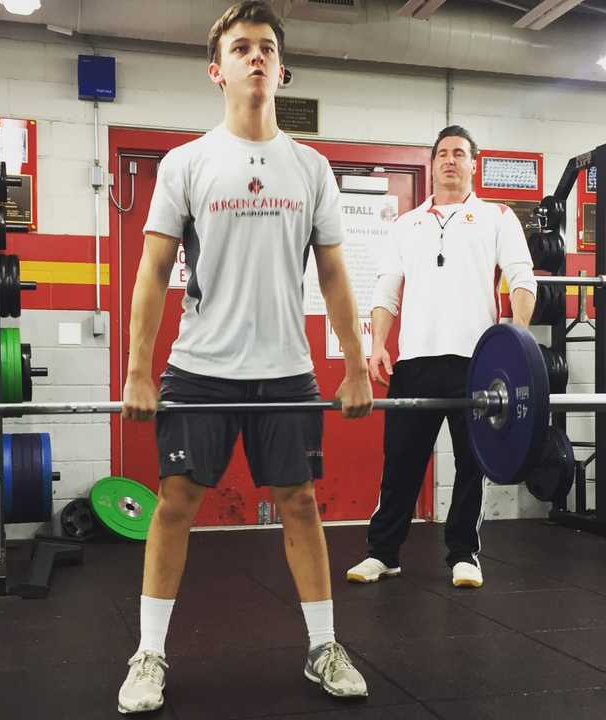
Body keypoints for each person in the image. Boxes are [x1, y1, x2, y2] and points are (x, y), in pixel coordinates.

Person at [119, 1, 372, 713]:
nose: (255, 56)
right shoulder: (187, 163)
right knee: (175, 505)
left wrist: (353, 362)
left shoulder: (311, 168)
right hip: (200, 367)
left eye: (265, 47)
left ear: (281, 69)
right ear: (217, 70)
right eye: (241, 48)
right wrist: (139, 369)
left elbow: (332, 275)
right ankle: (148, 654)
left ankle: (323, 648)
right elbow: (150, 271)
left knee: (298, 504)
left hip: (286, 369)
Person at [346, 125, 537, 590]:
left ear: (474, 163)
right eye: (443, 154)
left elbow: (522, 278)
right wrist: (376, 345)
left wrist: (517, 343)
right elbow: (387, 290)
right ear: (433, 164)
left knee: (473, 463)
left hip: (478, 363)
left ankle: (464, 555)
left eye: (459, 153)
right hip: (415, 361)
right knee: (401, 462)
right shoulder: (405, 225)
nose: (450, 160)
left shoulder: (497, 217)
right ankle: (383, 554)